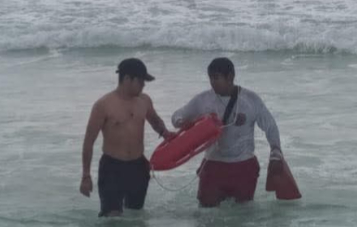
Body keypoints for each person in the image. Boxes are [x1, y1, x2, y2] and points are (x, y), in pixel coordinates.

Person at [172, 57, 284, 207]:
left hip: (243, 166)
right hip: (213, 166)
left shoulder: (250, 100)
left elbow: (270, 126)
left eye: (217, 78)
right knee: (206, 215)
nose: (212, 83)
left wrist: (276, 152)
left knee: (242, 218)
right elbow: (176, 116)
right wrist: (182, 122)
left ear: (230, 77)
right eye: (211, 78)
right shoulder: (204, 100)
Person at [81, 58, 173, 217]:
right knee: (112, 219)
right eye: (141, 81)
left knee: (135, 217)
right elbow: (88, 142)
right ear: (127, 79)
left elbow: (155, 121)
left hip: (138, 167)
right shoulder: (103, 105)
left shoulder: (144, 101)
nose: (144, 85)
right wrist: (86, 176)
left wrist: (168, 136)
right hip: (112, 168)